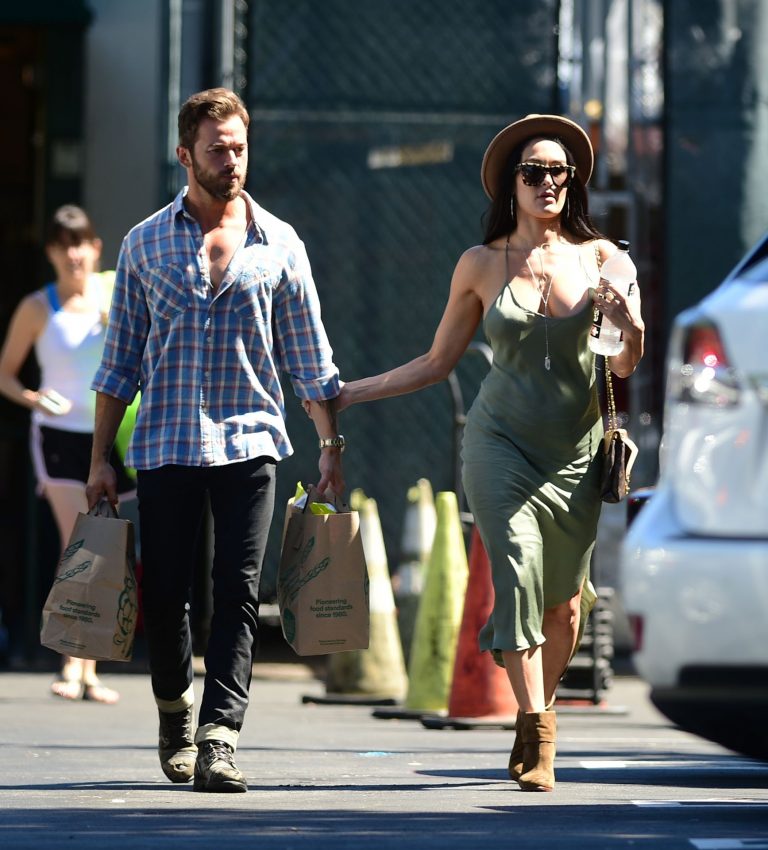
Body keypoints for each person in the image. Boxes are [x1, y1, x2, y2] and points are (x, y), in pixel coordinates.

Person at [338, 114, 644, 791]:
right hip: (498, 443)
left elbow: (624, 366)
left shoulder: (603, 260)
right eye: (534, 172)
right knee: (517, 565)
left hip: (576, 452)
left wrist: (627, 323)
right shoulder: (480, 264)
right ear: (512, 185)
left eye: (559, 172)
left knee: (564, 607)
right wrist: (350, 393)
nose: (547, 183)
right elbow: (436, 360)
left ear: (574, 183)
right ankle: (538, 730)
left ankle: (538, 709)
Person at [85, 87, 344, 794]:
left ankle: (220, 737)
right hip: (166, 442)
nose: (231, 161)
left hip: (251, 442)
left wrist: (329, 446)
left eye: (239, 147)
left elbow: (309, 359)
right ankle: (175, 715)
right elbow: (118, 365)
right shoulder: (145, 243)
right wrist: (100, 460)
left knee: (236, 591)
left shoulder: (279, 243)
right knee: (167, 592)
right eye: (216, 149)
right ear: (184, 155)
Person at [0, 204, 135, 704]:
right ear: (51, 253)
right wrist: (34, 398)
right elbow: (6, 375)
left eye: (81, 243)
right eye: (63, 244)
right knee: (75, 546)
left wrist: (115, 318)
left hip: (109, 436)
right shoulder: (37, 306)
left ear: (96, 249)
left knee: (103, 549)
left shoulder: (115, 295)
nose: (73, 253)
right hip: (57, 435)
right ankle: (69, 660)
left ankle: (90, 667)